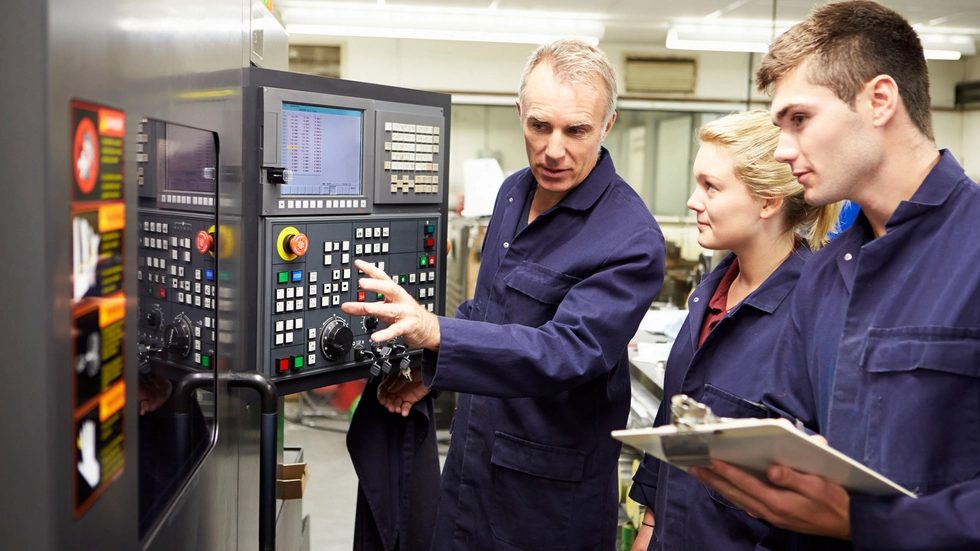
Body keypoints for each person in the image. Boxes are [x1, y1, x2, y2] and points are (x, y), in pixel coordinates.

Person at [342, 38, 666, 550]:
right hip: (471, 469)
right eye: (539, 126)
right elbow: (489, 309)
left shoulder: (630, 238)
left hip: (548, 501)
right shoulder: (514, 192)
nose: (553, 149)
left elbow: (565, 352)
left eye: (576, 130)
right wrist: (434, 371)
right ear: (520, 114)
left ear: (607, 125)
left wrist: (437, 331)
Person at [688, 2, 980, 549]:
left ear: (879, 100)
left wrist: (864, 520)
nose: (782, 149)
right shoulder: (823, 275)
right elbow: (795, 424)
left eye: (799, 119)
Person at [628, 110, 840, 551]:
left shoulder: (817, 315)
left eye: (711, 186)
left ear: (767, 201)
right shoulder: (708, 297)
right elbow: (674, 430)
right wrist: (648, 532)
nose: (692, 200)